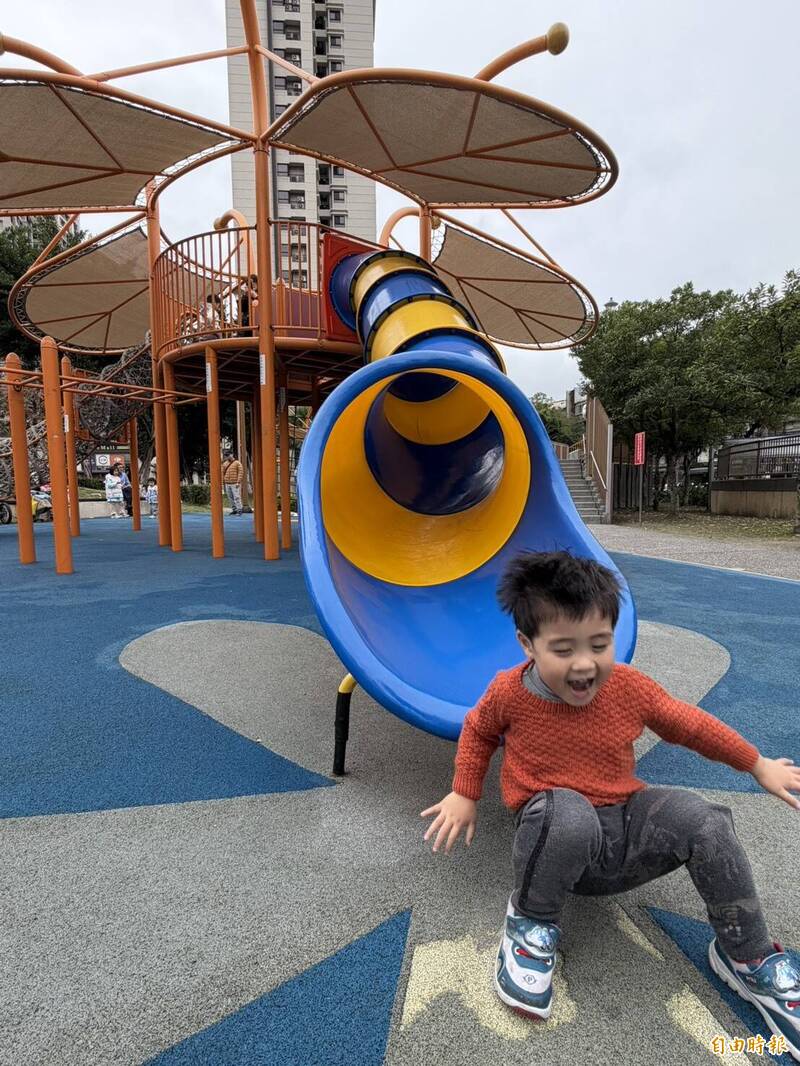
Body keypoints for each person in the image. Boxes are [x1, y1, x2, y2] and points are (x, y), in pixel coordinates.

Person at [421, 550, 800, 1052]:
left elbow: (689, 724)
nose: (584, 663)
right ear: (527, 644)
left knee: (704, 819)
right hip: (555, 836)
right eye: (563, 649)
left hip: (621, 829)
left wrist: (756, 763)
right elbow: (477, 730)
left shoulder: (627, 688)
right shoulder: (509, 693)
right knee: (569, 815)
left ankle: (748, 957)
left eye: (599, 644)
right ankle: (532, 924)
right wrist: (464, 791)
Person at [222, 449, 244, 515]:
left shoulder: (237, 463)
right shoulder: (225, 464)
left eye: (228, 455)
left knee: (236, 497)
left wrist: (238, 482)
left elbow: (241, 472)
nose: (227, 457)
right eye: (226, 455)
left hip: (235, 483)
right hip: (227, 483)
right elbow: (222, 473)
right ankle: (234, 509)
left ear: (232, 454)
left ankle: (239, 510)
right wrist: (223, 482)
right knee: (230, 497)